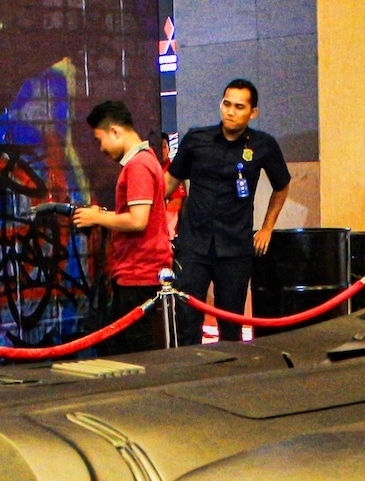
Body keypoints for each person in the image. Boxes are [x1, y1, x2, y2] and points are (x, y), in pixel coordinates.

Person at [165, 79, 291, 345]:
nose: (230, 112)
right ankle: (189, 379)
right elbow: (169, 183)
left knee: (231, 323)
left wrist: (267, 228)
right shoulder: (196, 139)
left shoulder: (264, 145)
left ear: (252, 112)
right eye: (226, 104)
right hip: (193, 245)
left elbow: (282, 185)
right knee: (187, 320)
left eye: (239, 106)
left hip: (235, 247)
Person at [73, 100, 171, 353]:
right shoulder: (147, 160)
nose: (101, 148)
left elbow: (138, 220)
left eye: (100, 140)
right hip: (140, 271)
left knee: (136, 344)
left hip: (139, 272)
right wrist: (103, 214)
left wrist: (97, 219)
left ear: (115, 131)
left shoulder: (138, 166)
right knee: (128, 342)